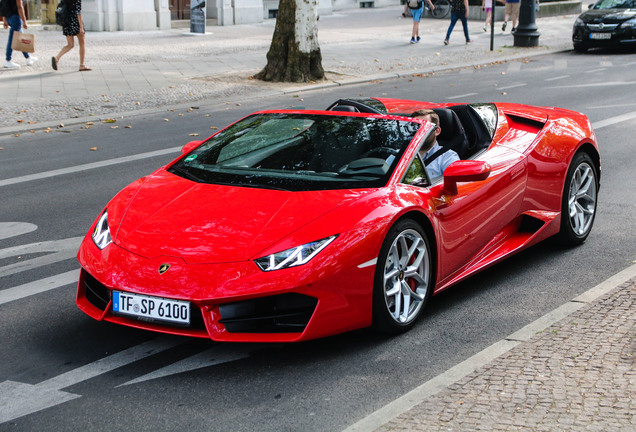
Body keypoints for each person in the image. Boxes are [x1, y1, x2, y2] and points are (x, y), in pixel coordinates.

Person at [411, 109, 460, 178]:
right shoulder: (400, 154)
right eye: (414, 127)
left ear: (437, 131)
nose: (418, 131)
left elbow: (456, 184)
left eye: (424, 127)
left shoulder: (448, 157)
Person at [51, 0, 91, 71]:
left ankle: (57, 58)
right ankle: (82, 65)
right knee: (82, 44)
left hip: (66, 22)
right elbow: (78, 13)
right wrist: (81, 27)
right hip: (75, 22)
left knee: (70, 45)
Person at [2, 0, 37, 69]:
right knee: (12, 39)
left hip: (9, 18)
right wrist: (24, 21)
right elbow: (20, 7)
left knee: (21, 38)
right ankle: (8, 60)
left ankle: (28, 58)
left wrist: (4, 20)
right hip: (16, 18)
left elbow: (3, 5)